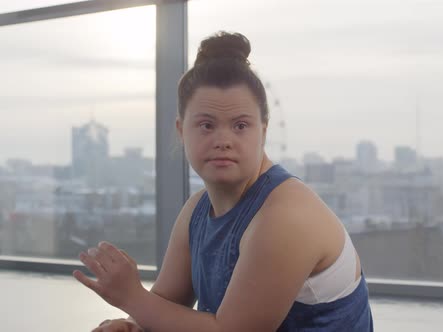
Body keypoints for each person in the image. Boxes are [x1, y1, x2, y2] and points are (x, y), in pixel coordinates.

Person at [74, 31, 374, 332]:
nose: (223, 140)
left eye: (240, 125)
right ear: (181, 131)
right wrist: (131, 325)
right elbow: (167, 303)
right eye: (206, 125)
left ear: (264, 131)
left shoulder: (287, 216)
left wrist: (132, 298)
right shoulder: (196, 211)